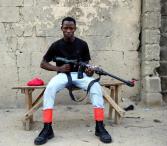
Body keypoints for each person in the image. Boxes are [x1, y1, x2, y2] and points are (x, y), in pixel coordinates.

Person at [34, 17, 112, 145]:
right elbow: (43, 63)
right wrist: (58, 68)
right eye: (66, 28)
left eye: (71, 28)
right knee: (49, 89)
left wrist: (89, 71)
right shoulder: (56, 45)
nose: (68, 30)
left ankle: (100, 127)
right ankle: (47, 129)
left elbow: (87, 65)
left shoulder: (82, 44)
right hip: (62, 74)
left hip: (80, 74)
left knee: (96, 88)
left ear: (75, 29)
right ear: (62, 29)